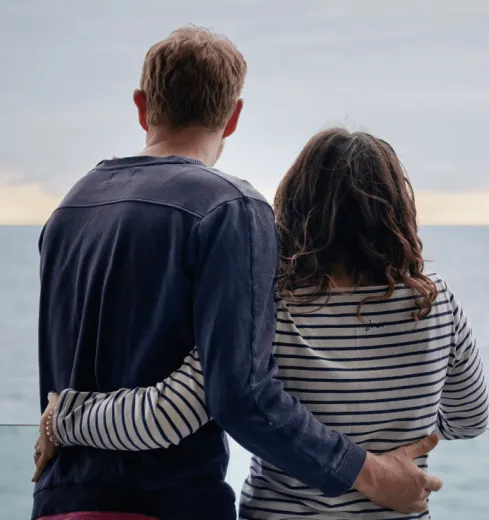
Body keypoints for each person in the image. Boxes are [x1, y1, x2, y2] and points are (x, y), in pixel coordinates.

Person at [33, 27, 442, 520]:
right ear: (233, 117)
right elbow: (239, 396)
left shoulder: (68, 209)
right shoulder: (231, 208)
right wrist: (374, 476)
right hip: (170, 506)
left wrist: (62, 419)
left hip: (59, 502)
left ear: (141, 106)